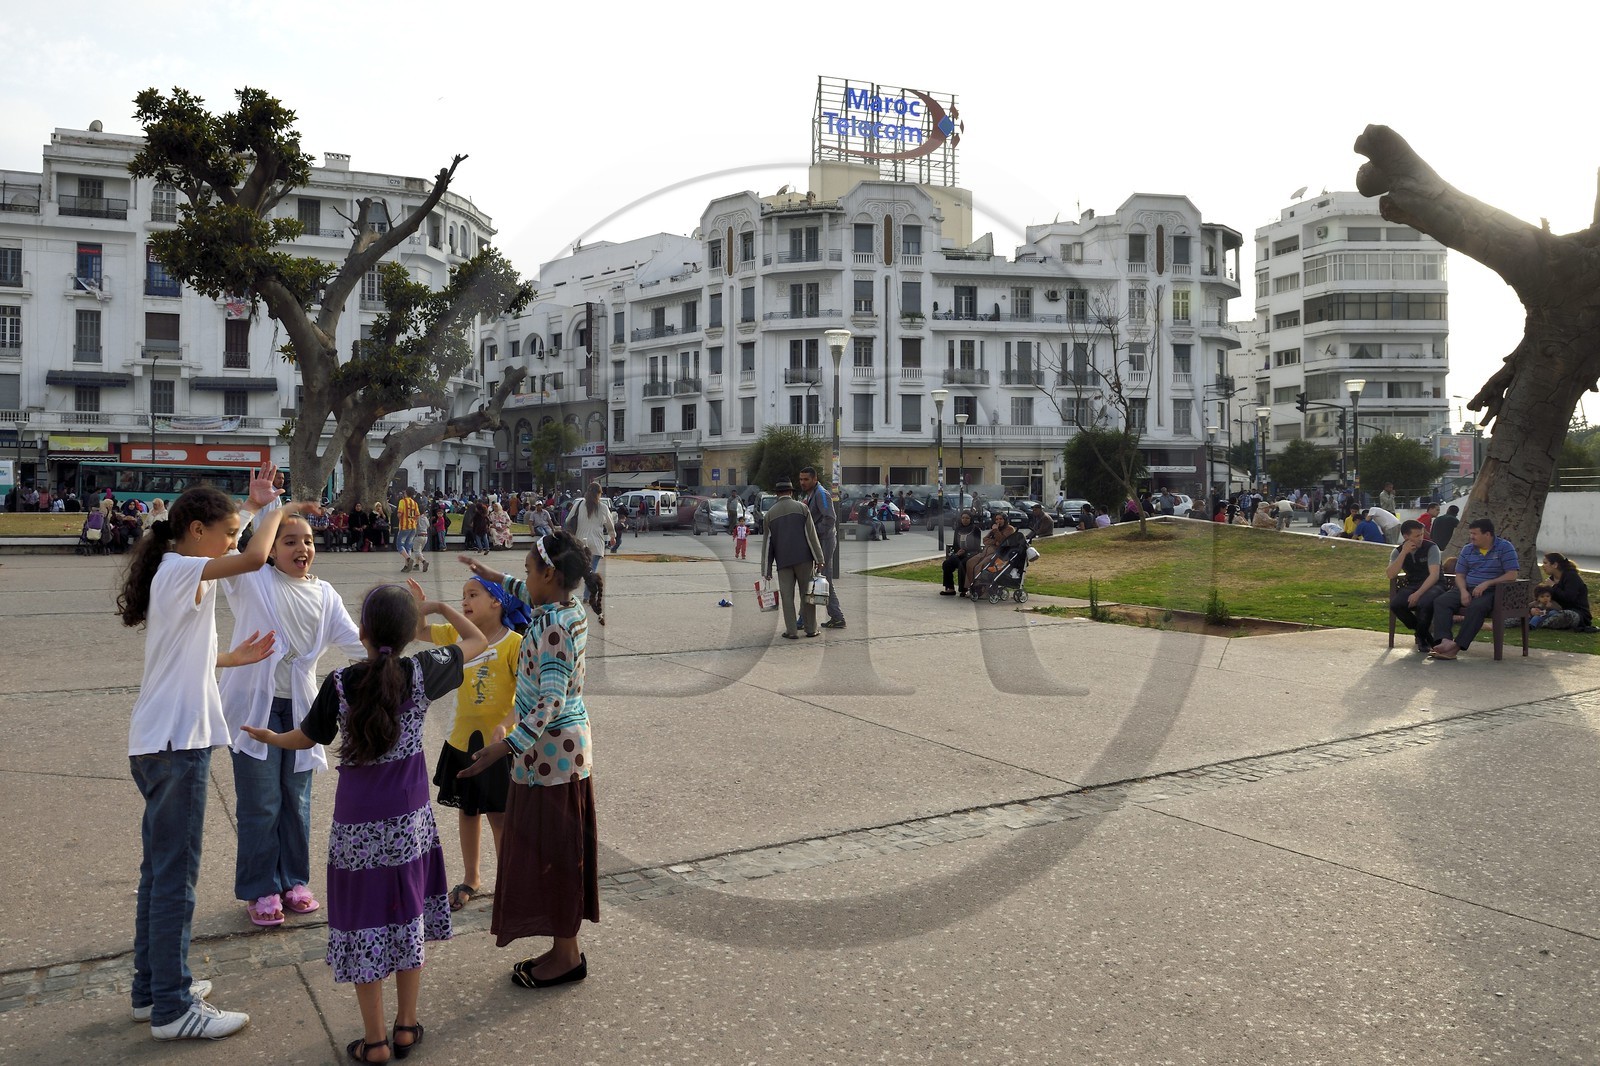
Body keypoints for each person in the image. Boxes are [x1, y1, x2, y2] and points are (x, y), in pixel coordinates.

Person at [243, 584, 485, 1062]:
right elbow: (478, 641)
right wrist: (435, 608)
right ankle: (406, 1027)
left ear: (363, 631)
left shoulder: (339, 683)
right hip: (409, 824)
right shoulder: (421, 672)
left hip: (356, 830)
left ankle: (373, 1040)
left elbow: (305, 736)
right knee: (408, 915)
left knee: (364, 924)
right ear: (410, 633)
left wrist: (270, 735)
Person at [116, 465, 292, 1041]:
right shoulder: (185, 567)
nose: (234, 542)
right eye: (228, 532)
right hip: (177, 744)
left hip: (158, 741)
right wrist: (271, 512)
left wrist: (229, 660)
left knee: (157, 871)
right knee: (175, 877)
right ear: (196, 531)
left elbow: (181, 656)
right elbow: (255, 558)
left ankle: (152, 989)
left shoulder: (178, 570)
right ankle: (172, 1007)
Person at [453, 533, 602, 992]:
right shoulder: (565, 608)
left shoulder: (553, 627)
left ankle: (566, 956)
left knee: (555, 856)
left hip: (551, 760)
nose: (521, 579)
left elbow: (550, 702)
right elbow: (521, 588)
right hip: (558, 756)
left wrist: (505, 746)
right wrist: (491, 574)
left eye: (527, 569)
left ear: (550, 575)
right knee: (555, 853)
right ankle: (563, 948)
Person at [219, 507, 365, 929]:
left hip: (302, 709)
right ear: (270, 550)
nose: (302, 548)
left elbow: (359, 644)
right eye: (290, 541)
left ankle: (294, 881)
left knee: (296, 801)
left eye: (308, 541)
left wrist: (401, 636)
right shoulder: (252, 579)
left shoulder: (325, 595)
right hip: (253, 706)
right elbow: (229, 543)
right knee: (261, 803)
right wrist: (258, 508)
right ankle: (260, 888)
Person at [411, 573, 530, 913]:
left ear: (497, 601)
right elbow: (419, 632)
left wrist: (506, 727)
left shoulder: (514, 644)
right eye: (462, 595)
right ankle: (471, 877)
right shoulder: (455, 635)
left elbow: (525, 696)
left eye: (473, 594)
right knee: (468, 810)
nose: (465, 600)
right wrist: (422, 609)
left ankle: (509, 880)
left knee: (499, 815)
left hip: (497, 746)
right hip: (462, 739)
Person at [1428, 518, 1520, 659]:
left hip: (1493, 590)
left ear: (1488, 534)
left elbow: (1512, 574)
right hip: (1467, 587)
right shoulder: (1468, 549)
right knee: (1441, 601)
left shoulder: (1505, 547)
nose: (1471, 537)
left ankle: (1456, 647)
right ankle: (1445, 641)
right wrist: (1464, 591)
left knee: (1477, 607)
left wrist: (1487, 583)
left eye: (1475, 534)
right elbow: (1460, 575)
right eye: (1470, 533)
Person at [761, 479, 825, 639]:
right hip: (804, 559)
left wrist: (766, 569)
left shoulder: (770, 515)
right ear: (791, 492)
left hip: (783, 563)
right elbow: (811, 536)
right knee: (807, 595)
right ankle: (811, 629)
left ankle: (791, 631)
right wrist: (819, 558)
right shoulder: (802, 508)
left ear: (777, 494)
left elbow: (768, 545)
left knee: (787, 597)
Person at [1386, 519, 1444, 653]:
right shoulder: (1398, 551)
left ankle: (1421, 638)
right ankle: (1424, 633)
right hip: (1413, 584)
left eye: (1422, 534)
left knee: (1424, 602)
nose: (1421, 538)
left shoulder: (1431, 547)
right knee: (1396, 604)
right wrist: (1403, 553)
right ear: (1406, 537)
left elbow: (1434, 575)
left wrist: (1418, 594)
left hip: (1434, 585)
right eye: (1417, 536)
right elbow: (1391, 574)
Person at [797, 466, 844, 629]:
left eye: (806, 479)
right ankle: (806, 618)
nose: (803, 482)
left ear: (814, 479)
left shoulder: (821, 494)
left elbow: (830, 518)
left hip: (824, 541)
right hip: (818, 541)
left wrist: (814, 533)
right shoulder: (811, 494)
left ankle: (836, 616)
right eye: (801, 479)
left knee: (824, 579)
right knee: (815, 578)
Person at [1540, 552, 1593, 630]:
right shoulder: (1551, 579)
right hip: (1556, 610)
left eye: (1545, 563)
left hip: (1577, 613)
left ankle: (1540, 623)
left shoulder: (1571, 576)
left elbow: (1568, 598)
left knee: (1566, 615)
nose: (1543, 566)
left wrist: (1553, 586)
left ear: (1555, 565)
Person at [942, 510, 982, 596]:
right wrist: (958, 551)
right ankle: (950, 588)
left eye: (967, 518)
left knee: (962, 565)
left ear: (971, 519)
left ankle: (964, 589)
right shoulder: (958, 529)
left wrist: (966, 551)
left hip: (971, 555)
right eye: (963, 518)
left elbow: (976, 546)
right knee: (947, 563)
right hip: (960, 554)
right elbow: (955, 544)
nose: (965, 520)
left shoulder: (976, 530)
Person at [397, 488, 426, 574]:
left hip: (404, 526)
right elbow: (417, 515)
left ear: (406, 493)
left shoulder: (402, 502)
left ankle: (408, 559)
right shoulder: (415, 503)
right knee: (408, 546)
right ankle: (406, 566)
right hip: (413, 527)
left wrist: (400, 518)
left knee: (400, 544)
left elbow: (399, 514)